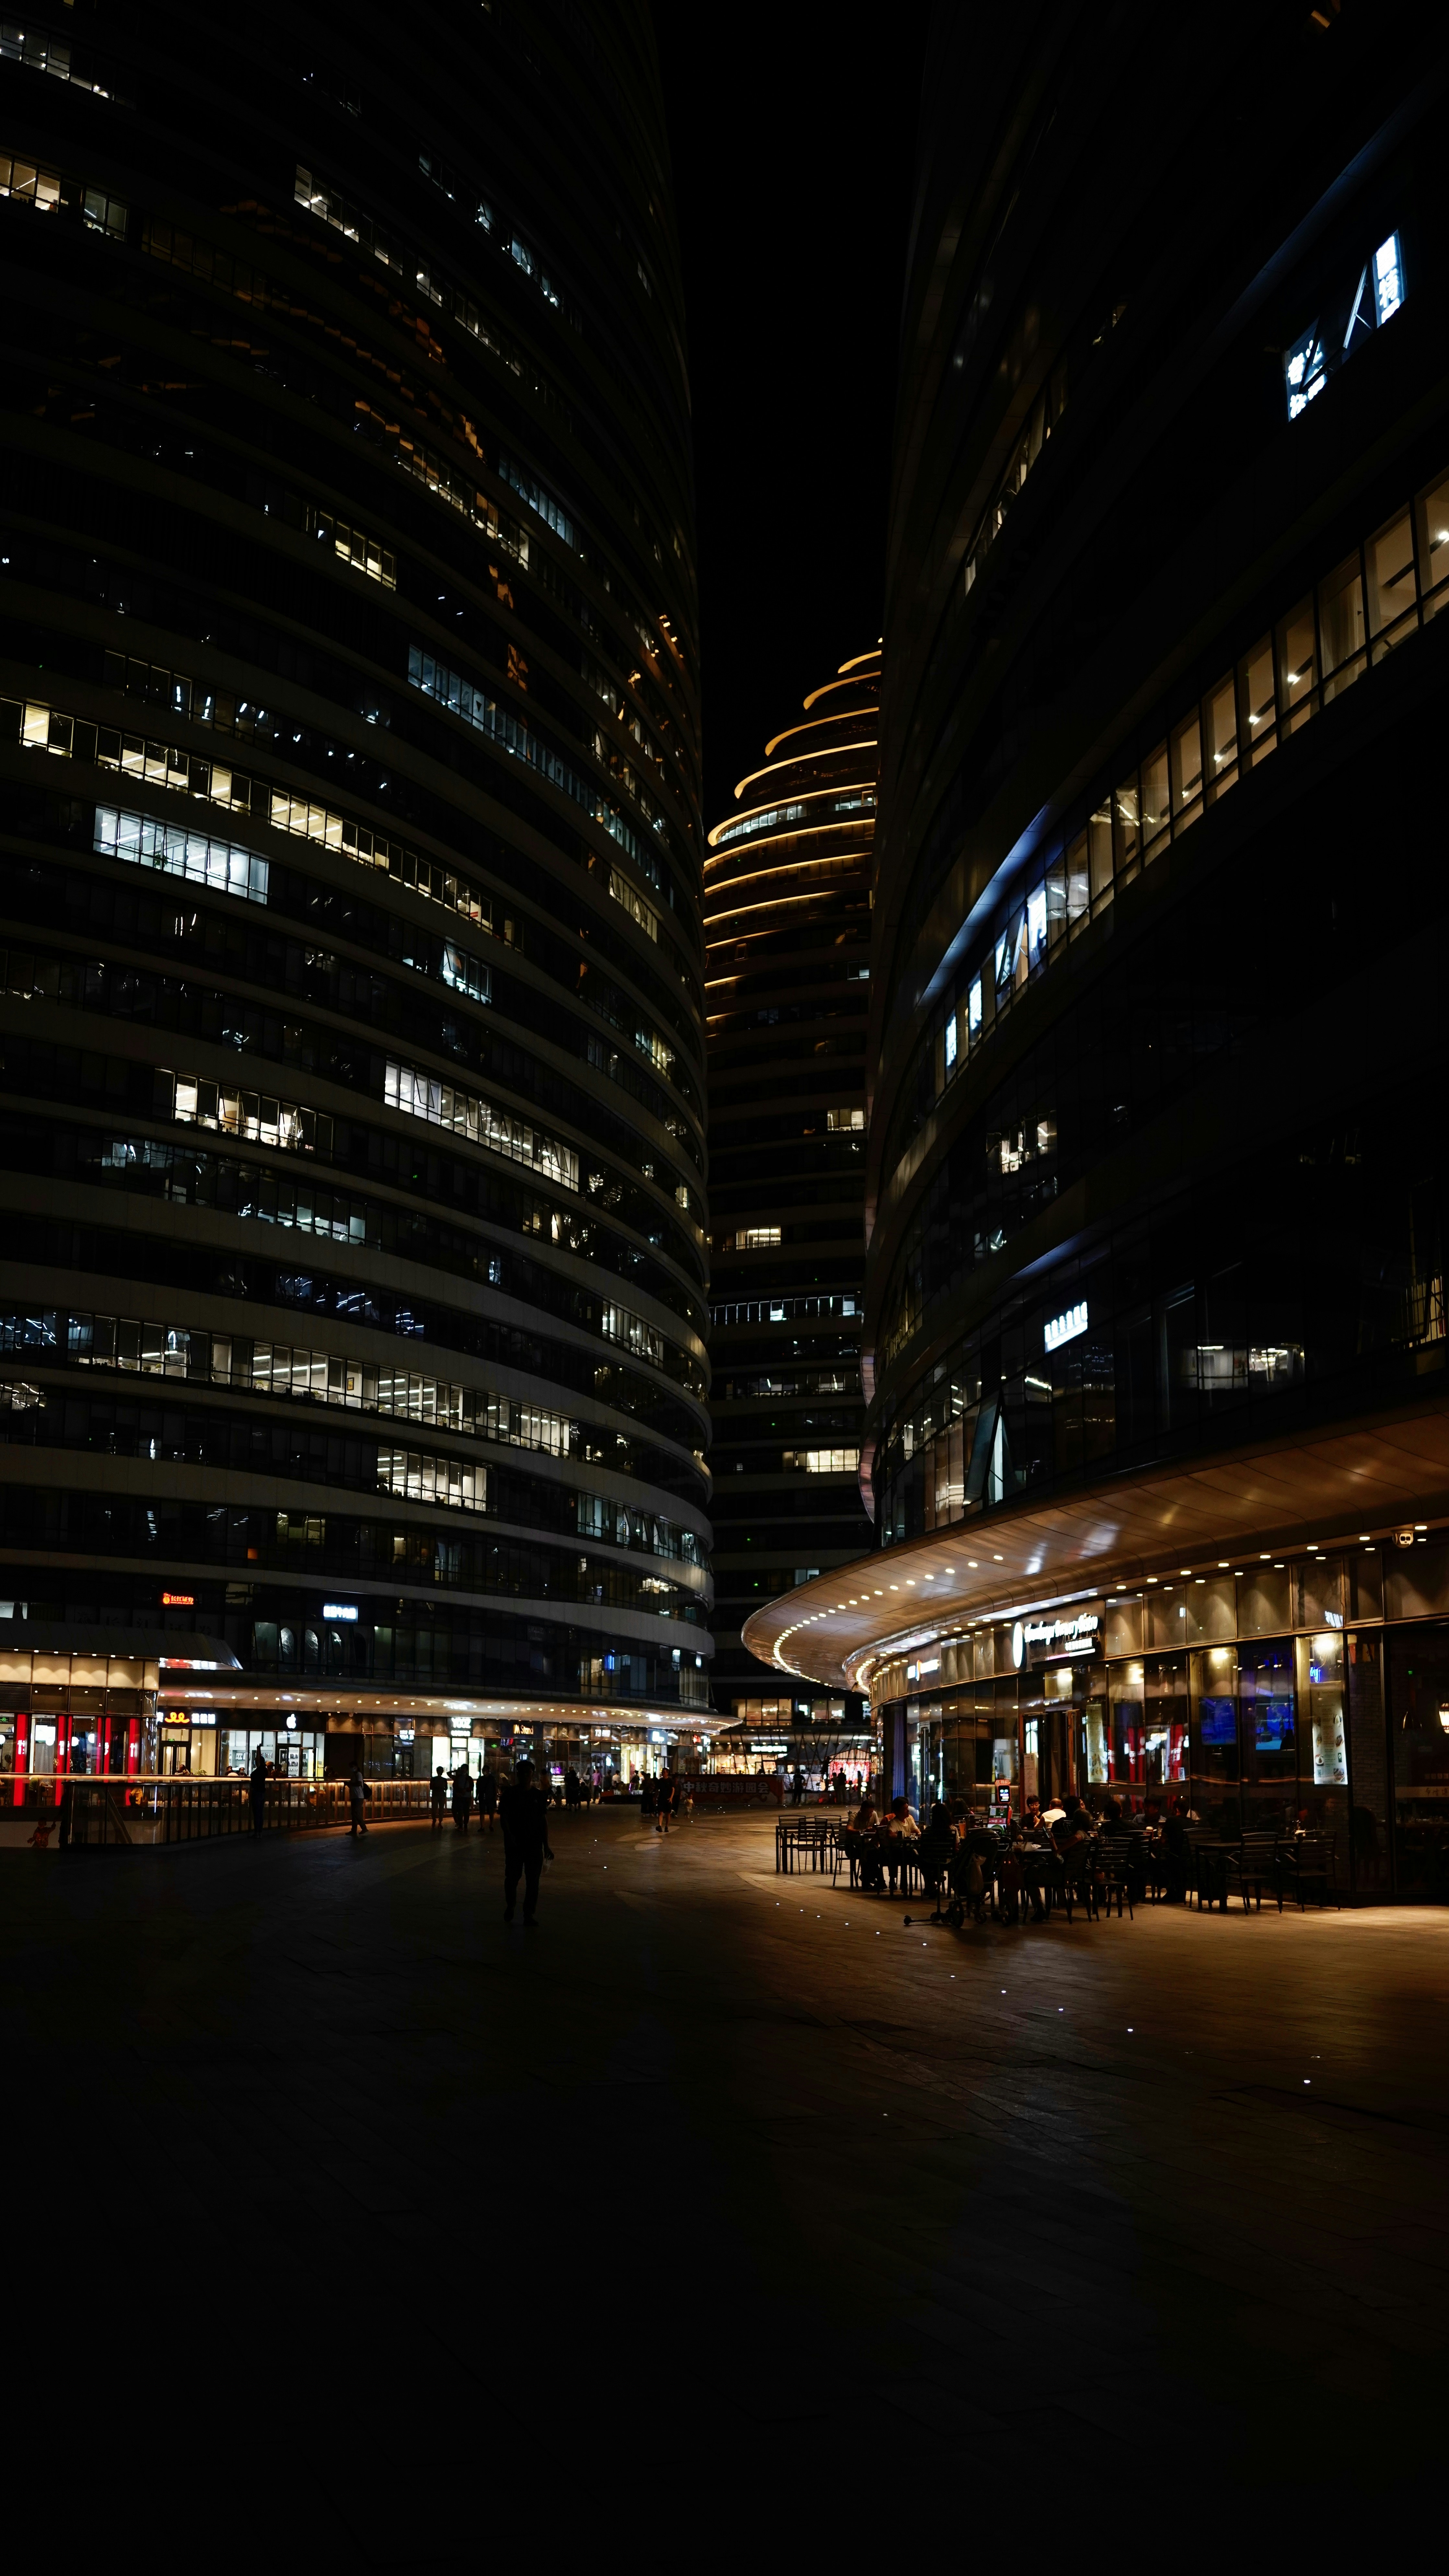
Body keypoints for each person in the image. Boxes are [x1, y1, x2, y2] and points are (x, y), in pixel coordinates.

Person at [499, 1757, 554, 1925]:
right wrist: (508, 1836)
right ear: (518, 1775)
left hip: (534, 1844)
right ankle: (512, 1905)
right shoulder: (510, 1794)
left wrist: (546, 1845)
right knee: (512, 1879)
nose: (525, 1776)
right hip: (515, 1844)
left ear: (532, 1775)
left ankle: (528, 1914)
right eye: (521, 1773)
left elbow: (543, 1821)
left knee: (533, 1882)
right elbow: (504, 1818)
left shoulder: (538, 1795)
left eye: (528, 1773)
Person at [250, 1744, 267, 1836]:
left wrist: (258, 1749)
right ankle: (259, 1832)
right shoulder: (265, 1770)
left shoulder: (260, 1769)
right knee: (260, 1813)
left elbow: (258, 1760)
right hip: (262, 1792)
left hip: (256, 1792)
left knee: (256, 1813)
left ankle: (257, 1832)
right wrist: (259, 1749)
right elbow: (259, 1760)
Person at [451, 1761, 473, 1834]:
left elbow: (471, 1787)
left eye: (464, 1768)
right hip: (460, 1797)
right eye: (462, 1768)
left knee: (466, 1811)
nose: (463, 1770)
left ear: (467, 1770)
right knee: (460, 1811)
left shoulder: (469, 1778)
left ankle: (465, 1823)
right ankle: (461, 1825)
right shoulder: (458, 1778)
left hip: (466, 1797)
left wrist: (465, 1790)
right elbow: (455, 1786)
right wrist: (460, 1792)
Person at [349, 1759, 368, 1837]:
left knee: (356, 1812)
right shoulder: (354, 1775)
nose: (351, 1768)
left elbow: (359, 1783)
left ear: (356, 1767)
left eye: (352, 1767)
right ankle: (354, 1830)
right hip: (354, 1796)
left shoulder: (359, 1774)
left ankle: (364, 1828)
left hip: (359, 1796)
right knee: (354, 1813)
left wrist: (350, 1784)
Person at [477, 1767, 498, 1833]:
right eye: (483, 1771)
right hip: (483, 1797)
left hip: (490, 1797)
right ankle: (483, 1826)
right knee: (482, 1812)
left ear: (488, 1771)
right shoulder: (481, 1779)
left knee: (491, 1813)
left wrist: (495, 1796)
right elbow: (478, 1789)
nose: (484, 1772)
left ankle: (491, 1825)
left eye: (485, 1771)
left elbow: (495, 1788)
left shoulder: (492, 1779)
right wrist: (477, 1796)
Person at [655, 1767, 675, 1834]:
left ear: (667, 1773)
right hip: (661, 1798)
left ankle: (666, 1826)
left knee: (668, 1813)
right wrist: (656, 1798)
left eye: (664, 1772)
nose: (663, 1773)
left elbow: (673, 1789)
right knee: (660, 1812)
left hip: (668, 1799)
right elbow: (657, 1790)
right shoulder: (660, 1781)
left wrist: (671, 1798)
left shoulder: (670, 1781)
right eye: (662, 1772)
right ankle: (660, 1826)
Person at [430, 1765, 448, 1832]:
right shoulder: (444, 1780)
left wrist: (436, 1787)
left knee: (434, 1808)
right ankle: (440, 1822)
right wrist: (441, 1788)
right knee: (441, 1809)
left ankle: (434, 1820)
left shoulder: (433, 1779)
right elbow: (446, 1788)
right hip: (442, 1795)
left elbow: (431, 1788)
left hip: (435, 1794)